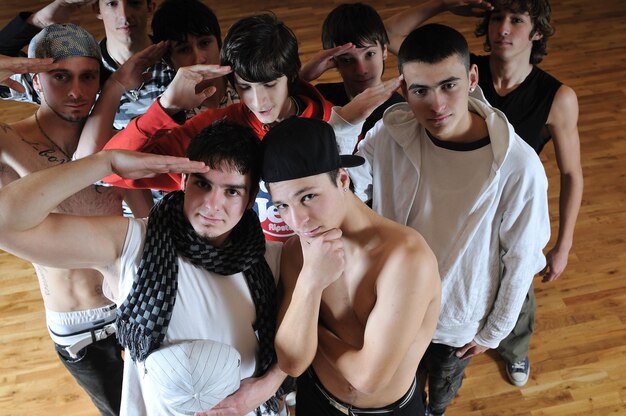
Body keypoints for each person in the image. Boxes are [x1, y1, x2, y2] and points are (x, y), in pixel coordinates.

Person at [0, 119, 288, 415]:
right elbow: (5, 223)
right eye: (203, 184)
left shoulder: (271, 260)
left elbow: (302, 343)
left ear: (251, 198)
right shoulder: (133, 244)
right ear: (184, 182)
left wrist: (268, 384)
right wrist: (105, 162)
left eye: (232, 192)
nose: (212, 205)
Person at [348, 24, 550, 415]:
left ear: (473, 77)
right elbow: (343, 183)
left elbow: (522, 256)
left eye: (449, 85)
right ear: (404, 89)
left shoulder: (518, 167)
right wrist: (346, 123)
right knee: (394, 392)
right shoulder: (389, 133)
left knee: (439, 395)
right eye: (420, 90)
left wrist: (495, 332)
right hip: (388, 305)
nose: (436, 105)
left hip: (456, 323)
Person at [386, 0, 583, 387]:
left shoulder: (555, 98)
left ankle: (513, 352)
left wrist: (564, 243)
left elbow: (571, 173)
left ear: (537, 31)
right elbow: (390, 39)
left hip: (512, 212)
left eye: (516, 20)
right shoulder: (452, 65)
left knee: (516, 291)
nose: (503, 28)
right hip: (464, 217)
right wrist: (442, 5)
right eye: (496, 18)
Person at [102, 13, 401, 242]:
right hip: (244, 279)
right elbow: (112, 171)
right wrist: (165, 106)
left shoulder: (332, 123)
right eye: (245, 87)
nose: (258, 101)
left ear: (291, 76)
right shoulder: (218, 129)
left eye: (269, 84)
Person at [260, 116, 440, 416]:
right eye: (283, 206)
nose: (298, 221)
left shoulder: (405, 258)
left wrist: (312, 331)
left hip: (390, 410)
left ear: (343, 179)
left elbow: (369, 378)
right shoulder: (297, 249)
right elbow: (291, 362)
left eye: (308, 197)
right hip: (318, 400)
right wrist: (311, 281)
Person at [0, 23, 132, 416]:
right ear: (35, 81)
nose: (76, 91)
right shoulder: (8, 141)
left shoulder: (115, 137)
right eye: (60, 76)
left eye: (87, 77)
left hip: (132, 303)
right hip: (78, 325)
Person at [0, 0, 174, 130]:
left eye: (134, 2)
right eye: (112, 3)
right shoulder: (75, 72)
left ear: (150, 6)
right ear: (97, 9)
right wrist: (39, 21)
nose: (124, 15)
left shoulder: (178, 59)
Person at [299, 2, 404, 150]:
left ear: (384, 51)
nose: (361, 70)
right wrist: (303, 77)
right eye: (347, 60)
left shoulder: (400, 112)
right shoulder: (321, 97)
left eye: (369, 54)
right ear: (334, 60)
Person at [151, 0, 239, 114]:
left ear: (219, 43)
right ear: (169, 60)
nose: (199, 59)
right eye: (184, 49)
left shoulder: (246, 83)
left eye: (204, 43)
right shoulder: (168, 111)